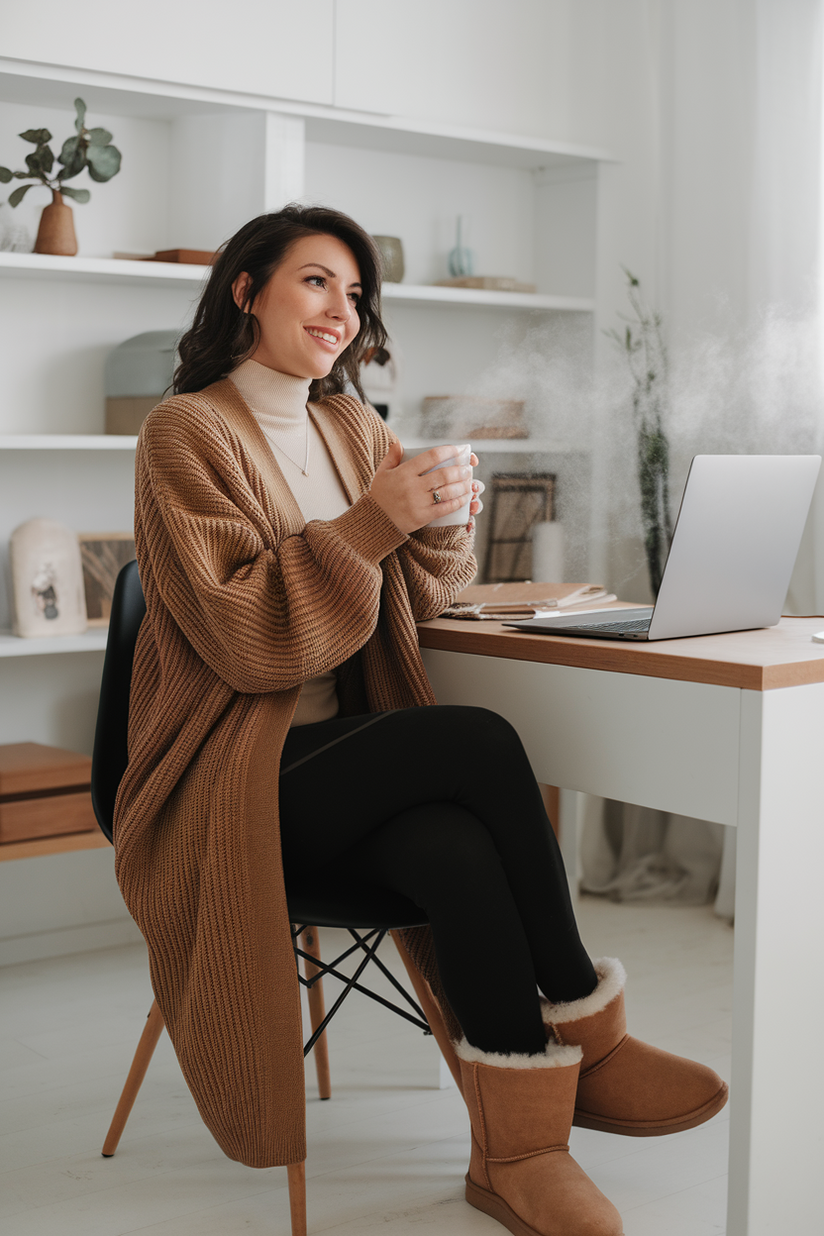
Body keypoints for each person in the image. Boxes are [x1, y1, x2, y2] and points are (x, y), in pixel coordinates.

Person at [114, 205, 727, 1236]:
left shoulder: (351, 426)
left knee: (449, 847)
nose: (339, 309)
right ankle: (591, 1032)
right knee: (476, 740)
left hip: (340, 760)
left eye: (353, 293)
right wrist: (373, 520)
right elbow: (240, 640)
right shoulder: (185, 432)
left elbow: (421, 600)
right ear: (245, 290)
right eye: (314, 281)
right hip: (230, 773)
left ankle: (515, 1151)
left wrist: (441, 523)